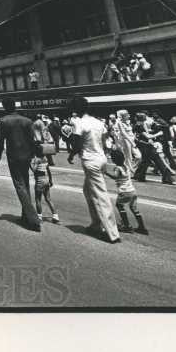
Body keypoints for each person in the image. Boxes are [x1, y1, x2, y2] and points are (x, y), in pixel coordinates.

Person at [67, 96, 120, 243]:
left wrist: (71, 155)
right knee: (88, 191)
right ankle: (96, 224)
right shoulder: (98, 122)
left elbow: (77, 144)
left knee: (100, 196)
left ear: (76, 109)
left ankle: (112, 233)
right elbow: (104, 138)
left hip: (90, 161)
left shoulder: (79, 123)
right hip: (101, 158)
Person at [0, 97, 41, 231]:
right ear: (15, 106)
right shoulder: (27, 120)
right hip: (26, 156)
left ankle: (32, 219)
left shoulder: (3, 121)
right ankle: (25, 215)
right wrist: (34, 155)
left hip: (13, 156)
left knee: (19, 185)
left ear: (5, 107)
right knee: (25, 184)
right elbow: (32, 140)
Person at [103, 148, 147, 234]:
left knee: (119, 206)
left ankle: (127, 226)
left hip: (124, 191)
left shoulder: (117, 168)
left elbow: (115, 177)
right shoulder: (126, 166)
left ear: (114, 160)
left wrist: (106, 173)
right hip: (132, 191)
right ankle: (142, 227)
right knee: (134, 208)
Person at [132, 114, 176, 184]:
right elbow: (148, 136)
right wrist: (159, 133)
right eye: (144, 116)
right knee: (158, 160)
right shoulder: (139, 126)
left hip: (145, 145)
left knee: (146, 161)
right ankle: (167, 178)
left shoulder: (142, 124)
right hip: (145, 146)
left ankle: (139, 176)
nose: (146, 117)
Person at [32, 151, 60, 224]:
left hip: (40, 181)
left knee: (38, 199)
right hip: (46, 179)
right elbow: (48, 170)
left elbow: (34, 170)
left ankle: (39, 217)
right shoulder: (45, 158)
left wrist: (30, 163)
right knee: (48, 199)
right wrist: (51, 180)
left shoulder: (37, 159)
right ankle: (55, 216)